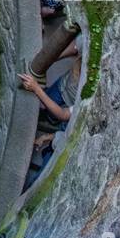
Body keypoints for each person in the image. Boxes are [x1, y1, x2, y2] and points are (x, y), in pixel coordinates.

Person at [19, 53, 81, 187]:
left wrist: (36, 89)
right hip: (63, 89)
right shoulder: (84, 45)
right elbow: (74, 48)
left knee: (39, 180)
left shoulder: (87, 100)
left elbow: (64, 115)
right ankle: (48, 121)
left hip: (60, 146)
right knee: (47, 107)